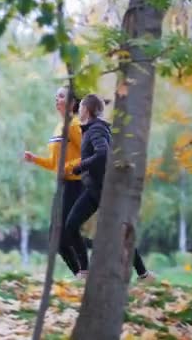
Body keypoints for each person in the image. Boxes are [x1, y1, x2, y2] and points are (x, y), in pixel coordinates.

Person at [64, 94, 155, 282]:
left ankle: (143, 274)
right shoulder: (93, 129)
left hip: (105, 191)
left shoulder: (96, 129)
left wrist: (81, 166)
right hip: (94, 190)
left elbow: (103, 153)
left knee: (118, 234)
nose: (78, 110)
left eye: (80, 107)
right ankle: (85, 272)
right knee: (71, 225)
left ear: (87, 110)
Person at [23, 85, 87, 276]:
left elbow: (90, 154)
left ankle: (83, 273)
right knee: (57, 238)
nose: (56, 99)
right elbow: (54, 163)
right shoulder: (59, 126)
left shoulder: (75, 125)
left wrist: (67, 168)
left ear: (72, 103)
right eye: (56, 96)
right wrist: (35, 159)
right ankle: (81, 273)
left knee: (62, 235)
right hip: (63, 185)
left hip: (76, 184)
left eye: (60, 96)